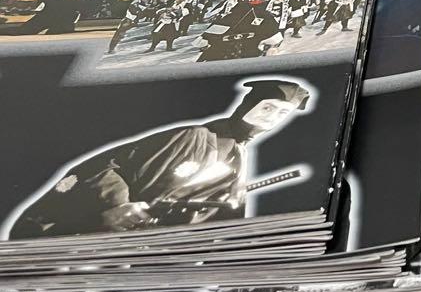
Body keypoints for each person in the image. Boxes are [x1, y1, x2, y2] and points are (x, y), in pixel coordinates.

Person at [7, 80, 312, 238]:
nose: (272, 116)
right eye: (267, 107)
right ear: (248, 105)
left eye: (282, 113)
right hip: (92, 232)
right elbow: (106, 168)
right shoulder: (195, 136)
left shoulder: (239, 155)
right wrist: (118, 205)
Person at [196, 0, 277, 62]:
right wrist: (206, 38)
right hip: (226, 45)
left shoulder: (266, 15)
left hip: (251, 46)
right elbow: (220, 24)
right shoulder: (235, 13)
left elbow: (271, 31)